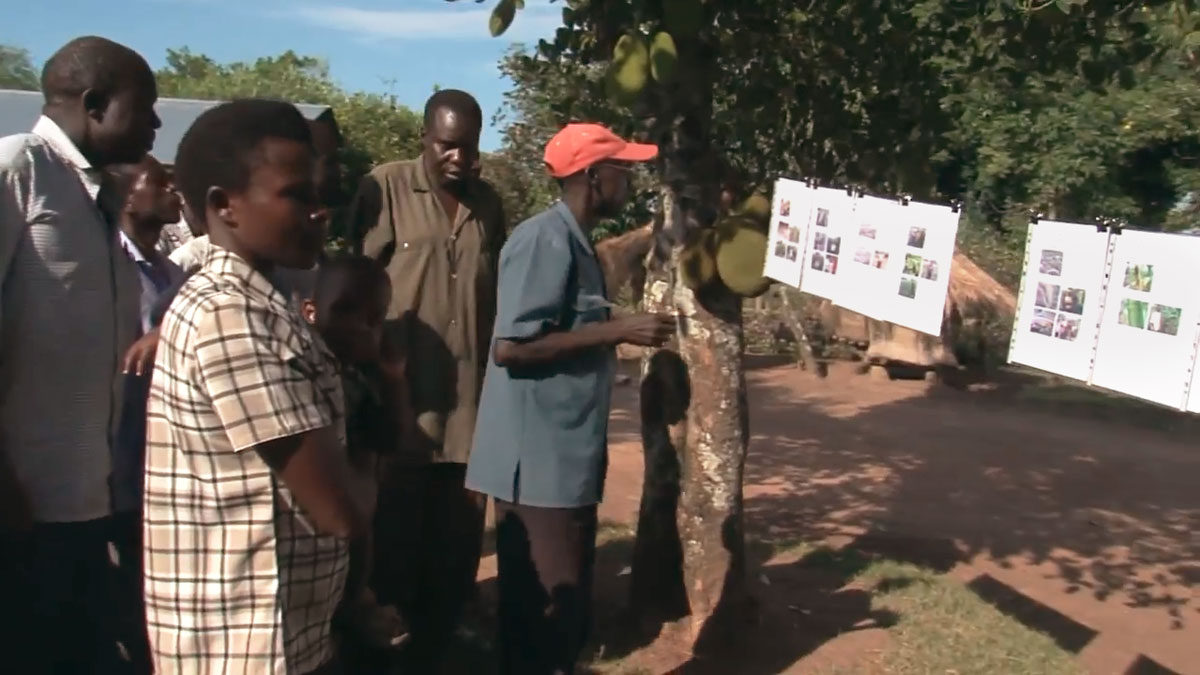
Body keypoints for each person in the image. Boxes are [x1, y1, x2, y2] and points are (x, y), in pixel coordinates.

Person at [144, 99, 367, 675]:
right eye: (298, 196)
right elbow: (334, 509)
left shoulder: (263, 303)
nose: (320, 212)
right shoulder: (230, 314)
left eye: (320, 196)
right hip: (245, 644)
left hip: (279, 632)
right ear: (224, 205)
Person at [465, 123, 675, 674]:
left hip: (563, 456)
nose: (629, 183)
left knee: (560, 615)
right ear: (592, 177)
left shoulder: (576, 242)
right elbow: (511, 347)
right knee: (547, 618)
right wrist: (616, 331)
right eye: (622, 171)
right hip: (535, 465)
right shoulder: (544, 240)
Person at [0, 35, 160, 673]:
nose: (153, 123)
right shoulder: (20, 169)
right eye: (143, 107)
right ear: (95, 104)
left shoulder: (91, 195)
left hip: (87, 502)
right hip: (23, 508)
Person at [349, 88, 505, 669]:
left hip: (468, 413)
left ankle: (439, 648)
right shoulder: (383, 188)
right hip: (402, 409)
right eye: (447, 146)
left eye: (468, 146)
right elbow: (352, 288)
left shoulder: (488, 205)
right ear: (424, 138)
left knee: (454, 552)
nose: (459, 158)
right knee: (392, 552)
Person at [299, 255, 412, 672]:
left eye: (375, 319)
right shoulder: (302, 378)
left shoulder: (360, 380)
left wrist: (394, 379)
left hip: (351, 555)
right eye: (347, 312)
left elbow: (391, 439)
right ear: (310, 311)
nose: (363, 329)